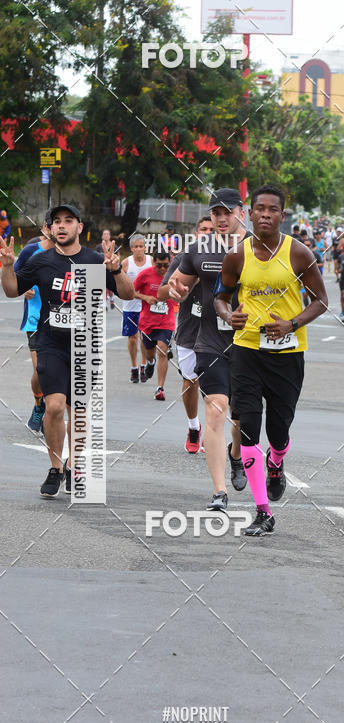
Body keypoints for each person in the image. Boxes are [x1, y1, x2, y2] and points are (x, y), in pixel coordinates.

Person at [213, 185, 328, 536]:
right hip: (247, 350)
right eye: (259, 208)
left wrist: (291, 323)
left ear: (282, 215)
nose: (265, 214)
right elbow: (221, 296)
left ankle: (276, 462)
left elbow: (321, 301)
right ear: (249, 213)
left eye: (272, 209)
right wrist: (227, 314)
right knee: (247, 425)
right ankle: (263, 511)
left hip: (288, 355)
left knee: (278, 432)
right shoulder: (236, 255)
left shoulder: (299, 254)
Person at [0, 204, 132, 497]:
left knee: (80, 412)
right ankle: (55, 467)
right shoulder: (41, 261)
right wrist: (7, 267)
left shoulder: (96, 261)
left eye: (68, 221)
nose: (61, 226)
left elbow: (127, 293)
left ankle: (74, 465)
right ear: (50, 228)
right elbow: (12, 290)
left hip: (86, 344)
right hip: (51, 342)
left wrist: (117, 270)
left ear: (79, 227)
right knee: (55, 406)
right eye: (56, 222)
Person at [168, 189, 248, 508]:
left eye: (228, 211)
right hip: (210, 342)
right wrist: (174, 290)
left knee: (242, 416)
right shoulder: (198, 249)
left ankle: (236, 454)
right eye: (216, 212)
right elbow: (173, 286)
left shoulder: (259, 248)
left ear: (241, 212)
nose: (222, 217)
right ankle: (219, 491)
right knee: (216, 410)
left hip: (248, 342)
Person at [157, 216, 213, 454]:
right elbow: (161, 294)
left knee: (219, 388)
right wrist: (177, 289)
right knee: (190, 380)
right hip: (190, 330)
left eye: (212, 229)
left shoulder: (232, 256)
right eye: (203, 229)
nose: (208, 233)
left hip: (221, 332)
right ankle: (193, 426)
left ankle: (214, 433)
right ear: (196, 232)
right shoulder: (184, 258)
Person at [14, 225, 54, 431]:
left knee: (56, 371)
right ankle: (39, 405)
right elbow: (16, 278)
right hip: (35, 319)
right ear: (46, 227)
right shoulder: (31, 250)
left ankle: (52, 412)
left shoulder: (73, 253)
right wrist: (25, 289)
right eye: (54, 223)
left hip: (62, 322)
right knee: (41, 369)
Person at [133, 250, 177, 401]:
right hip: (147, 323)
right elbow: (131, 291)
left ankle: (160, 388)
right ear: (153, 263)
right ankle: (150, 362)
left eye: (166, 265)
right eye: (159, 266)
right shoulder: (145, 274)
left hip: (166, 322)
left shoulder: (175, 274)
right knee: (150, 353)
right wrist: (146, 297)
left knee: (162, 351)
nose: (163, 269)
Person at [121, 234, 153, 383]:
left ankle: (143, 364)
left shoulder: (151, 261)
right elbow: (118, 281)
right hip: (130, 306)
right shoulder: (126, 263)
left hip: (147, 306)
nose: (139, 249)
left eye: (142, 246)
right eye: (136, 247)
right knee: (132, 337)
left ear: (145, 247)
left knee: (144, 337)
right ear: (132, 248)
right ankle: (134, 367)